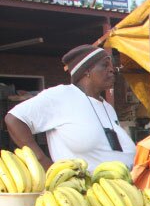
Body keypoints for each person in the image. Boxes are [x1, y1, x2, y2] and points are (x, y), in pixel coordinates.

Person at [4, 45, 136, 172]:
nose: (112, 70)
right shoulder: (62, 95)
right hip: (81, 190)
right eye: (105, 65)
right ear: (87, 71)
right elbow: (14, 118)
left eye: (112, 66)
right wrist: (42, 161)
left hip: (119, 188)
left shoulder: (107, 107)